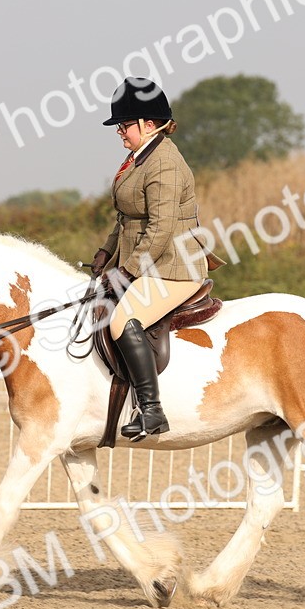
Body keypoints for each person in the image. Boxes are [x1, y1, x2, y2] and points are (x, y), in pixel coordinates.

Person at [90, 77, 224, 441]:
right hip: (150, 262)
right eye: (119, 126)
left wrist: (128, 271)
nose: (120, 131)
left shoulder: (164, 162)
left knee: (123, 320)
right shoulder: (139, 158)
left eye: (125, 125)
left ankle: (152, 410)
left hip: (173, 268)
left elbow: (162, 227)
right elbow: (129, 220)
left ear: (150, 124)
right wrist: (106, 253)